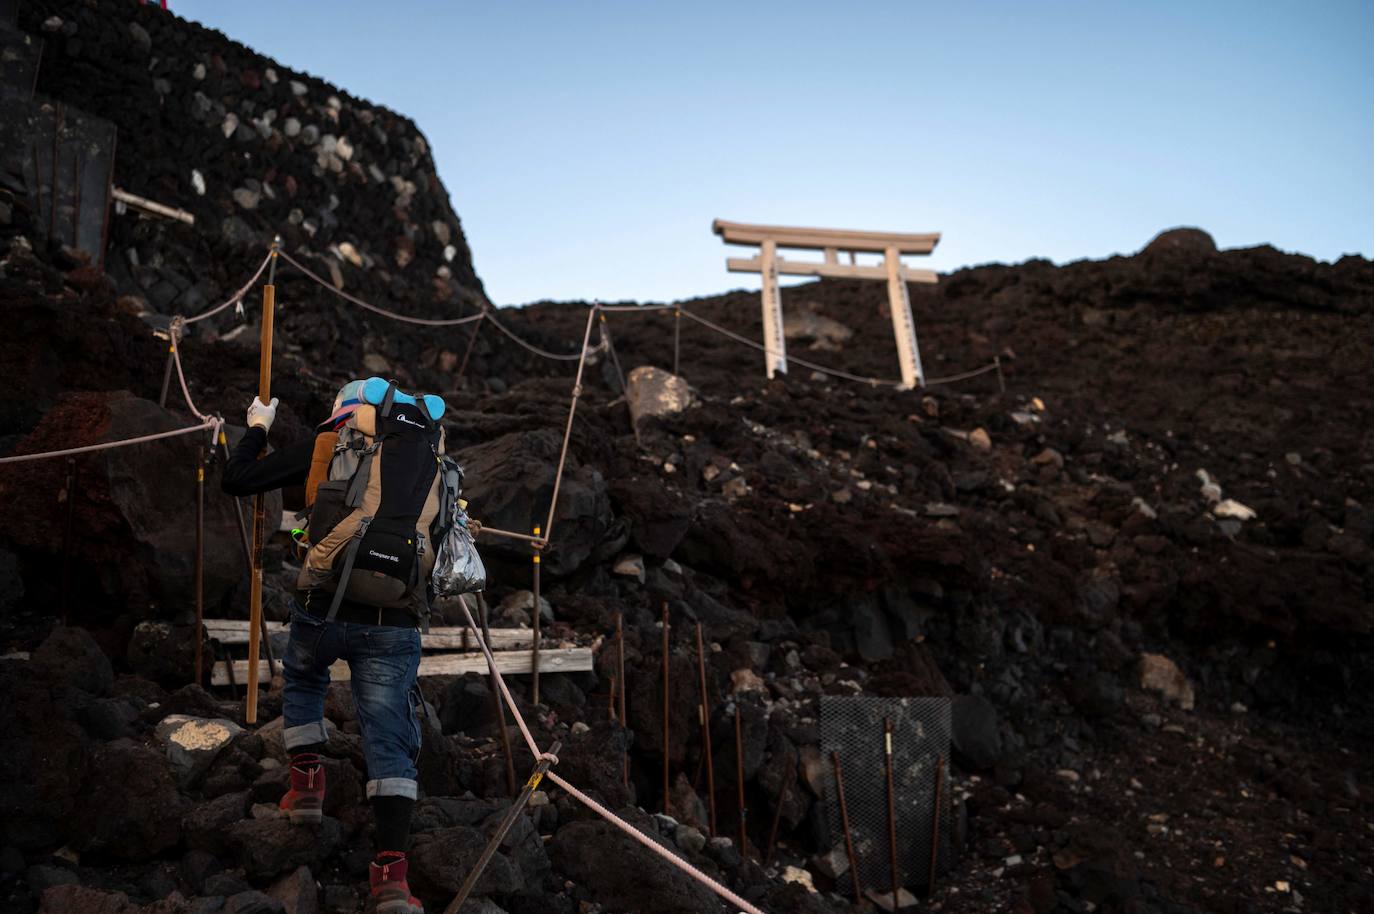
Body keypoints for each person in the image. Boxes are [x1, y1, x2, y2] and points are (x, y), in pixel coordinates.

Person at [223, 381, 439, 914]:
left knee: (302, 678)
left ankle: (307, 791)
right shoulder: (432, 461)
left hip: (323, 608)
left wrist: (257, 428)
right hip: (394, 622)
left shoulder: (331, 446)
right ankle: (390, 879)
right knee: (389, 733)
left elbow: (238, 480)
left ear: (348, 413)